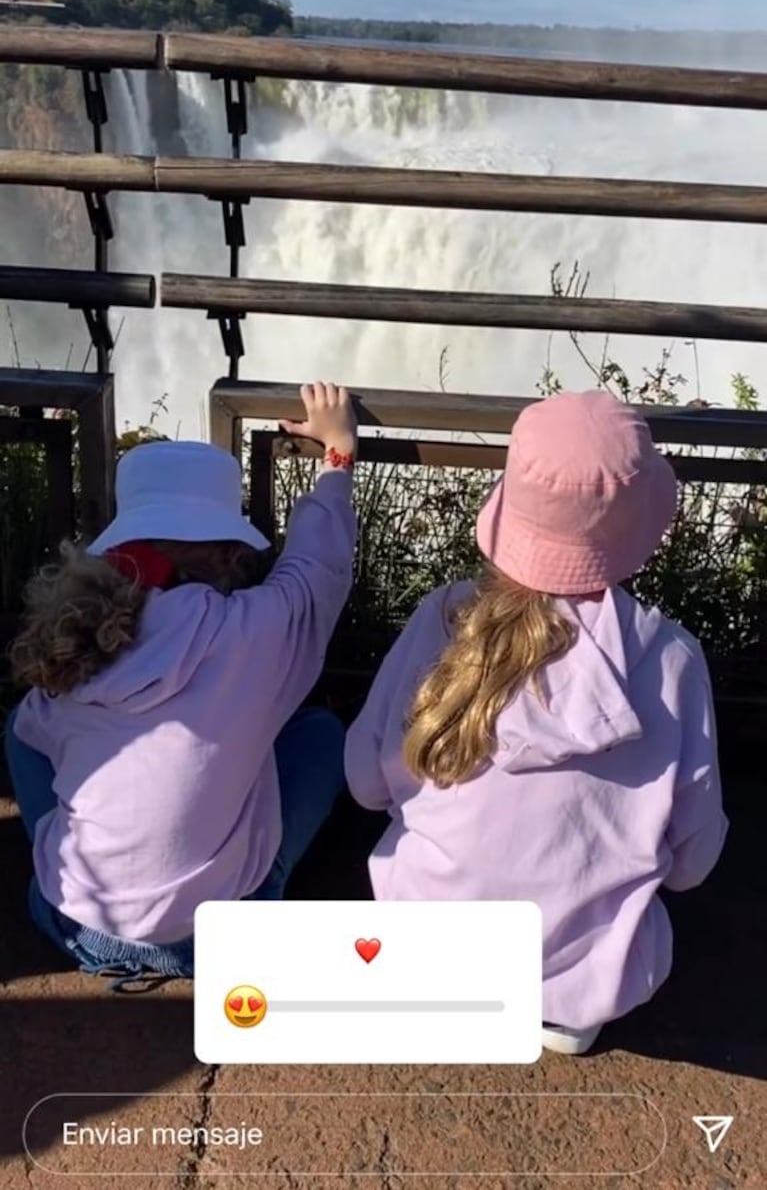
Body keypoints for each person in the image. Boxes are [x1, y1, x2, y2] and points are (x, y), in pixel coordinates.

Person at [345, 389, 728, 1055]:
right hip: (591, 984)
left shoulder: (440, 621)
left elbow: (365, 784)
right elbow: (692, 861)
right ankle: (561, 1010)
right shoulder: (671, 658)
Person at [5, 382, 358, 984]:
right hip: (219, 940)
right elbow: (318, 566)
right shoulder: (257, 632)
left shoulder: (78, 642)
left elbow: (31, 733)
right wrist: (337, 456)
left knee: (22, 730)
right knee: (319, 734)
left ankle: (72, 867)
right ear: (227, 555)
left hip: (72, 924)